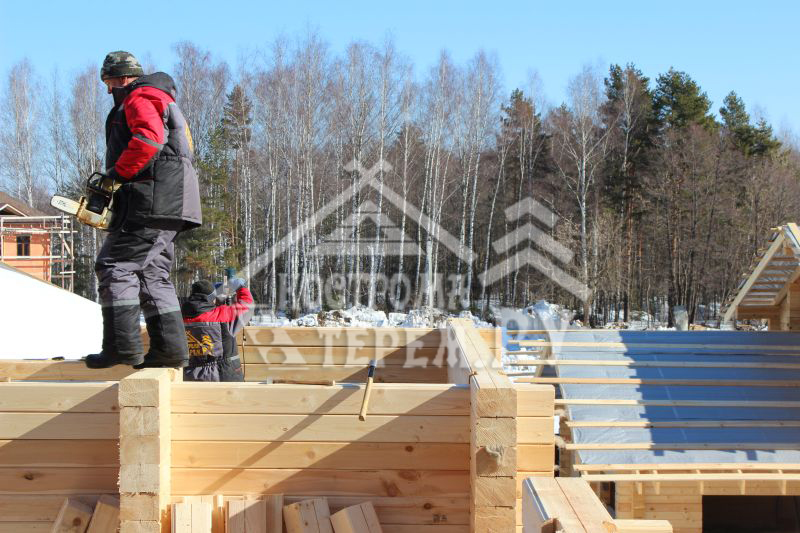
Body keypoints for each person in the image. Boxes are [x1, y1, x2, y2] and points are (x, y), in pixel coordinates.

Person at [85, 51, 202, 369]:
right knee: (152, 273)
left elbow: (148, 140)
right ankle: (169, 351)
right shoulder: (161, 98)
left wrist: (115, 175)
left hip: (153, 199)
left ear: (121, 78)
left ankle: (121, 347)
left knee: (114, 265)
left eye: (109, 83)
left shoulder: (140, 96)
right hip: (171, 201)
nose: (108, 90)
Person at [182, 278, 253, 381]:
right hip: (224, 377)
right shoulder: (222, 314)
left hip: (191, 376)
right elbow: (247, 306)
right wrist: (240, 287)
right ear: (211, 298)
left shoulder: (180, 318)